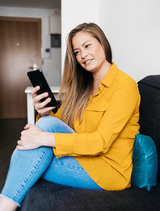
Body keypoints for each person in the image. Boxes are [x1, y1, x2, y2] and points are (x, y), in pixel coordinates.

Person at [0, 23, 140, 210]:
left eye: (87, 45)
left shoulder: (125, 86)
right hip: (81, 157)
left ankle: (4, 205)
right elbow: (58, 123)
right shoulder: (83, 87)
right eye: (76, 51)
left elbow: (100, 142)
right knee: (38, 138)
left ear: (103, 44)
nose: (82, 55)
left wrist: (41, 138)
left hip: (109, 172)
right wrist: (44, 112)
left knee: (25, 155)